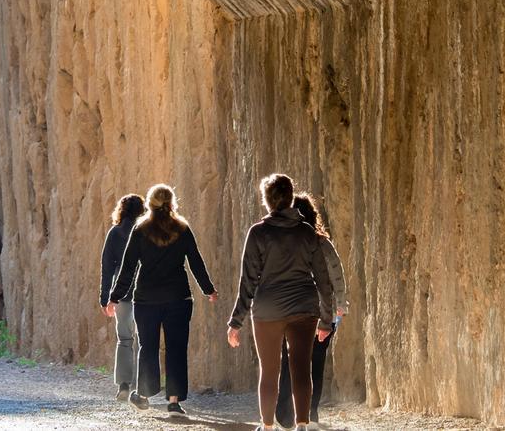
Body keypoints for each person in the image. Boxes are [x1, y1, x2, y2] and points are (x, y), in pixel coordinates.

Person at [227, 174, 334, 431]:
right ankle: (302, 424)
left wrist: (236, 321)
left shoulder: (257, 233)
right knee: (301, 368)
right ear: (290, 198)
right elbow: (323, 279)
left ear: (267, 201)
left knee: (270, 370)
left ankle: (267, 426)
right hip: (303, 308)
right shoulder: (307, 233)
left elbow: (248, 281)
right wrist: (326, 319)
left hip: (267, 310)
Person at [109, 183, 218, 418]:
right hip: (179, 297)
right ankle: (174, 402)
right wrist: (208, 290)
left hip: (147, 299)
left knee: (148, 346)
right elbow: (195, 262)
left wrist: (114, 297)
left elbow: (128, 268)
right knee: (176, 348)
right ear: (172, 203)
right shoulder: (183, 229)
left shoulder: (140, 230)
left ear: (150, 204)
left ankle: (144, 396)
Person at [274, 193, 348, 430]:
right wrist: (341, 304)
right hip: (319, 312)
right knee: (314, 363)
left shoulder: (280, 241)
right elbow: (337, 274)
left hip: (288, 311)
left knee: (288, 362)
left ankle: (284, 415)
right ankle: (310, 416)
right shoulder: (321, 242)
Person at [99, 193, 146, 400]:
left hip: (122, 294)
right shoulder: (146, 232)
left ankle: (124, 386)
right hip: (147, 292)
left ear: (121, 210)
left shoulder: (115, 233)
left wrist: (105, 297)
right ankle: (143, 386)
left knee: (125, 339)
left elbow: (107, 268)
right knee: (146, 340)